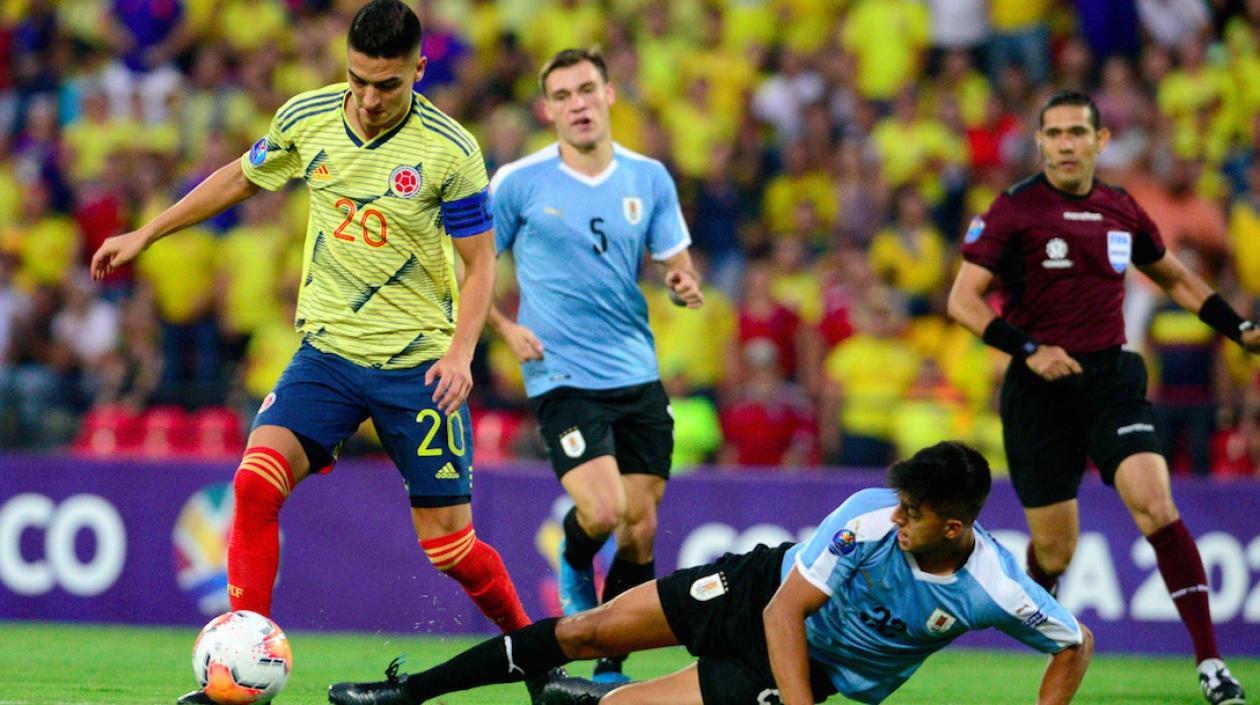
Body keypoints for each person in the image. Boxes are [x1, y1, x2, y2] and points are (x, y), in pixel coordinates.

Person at [90, 2, 535, 702]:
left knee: (450, 548)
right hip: (325, 354)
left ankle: (535, 657)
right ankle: (238, 672)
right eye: (358, 79)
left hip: (416, 366)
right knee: (254, 483)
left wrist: (460, 352)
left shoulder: (450, 150)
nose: (368, 97)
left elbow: (479, 265)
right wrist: (149, 232)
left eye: (387, 84)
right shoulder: (308, 117)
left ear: (419, 70)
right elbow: (241, 175)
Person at [327, 441, 1093, 705]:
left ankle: (587, 698)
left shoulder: (994, 585)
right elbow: (785, 609)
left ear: (953, 527)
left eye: (914, 514)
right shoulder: (869, 512)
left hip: (814, 667)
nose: (897, 518)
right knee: (587, 627)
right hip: (764, 591)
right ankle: (410, 691)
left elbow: (1073, 643)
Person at [947, 90, 1258, 705]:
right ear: (1040, 142)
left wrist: (1238, 328)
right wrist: (1029, 348)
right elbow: (962, 300)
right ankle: (1043, 616)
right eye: (1054, 133)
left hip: (1111, 382)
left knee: (1156, 507)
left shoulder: (1121, 208)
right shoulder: (1013, 210)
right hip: (1038, 392)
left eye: (1077, 133)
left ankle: (1211, 664)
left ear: (1100, 141)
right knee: (1055, 550)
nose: (1065, 144)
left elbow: (1174, 277)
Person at [485, 47, 704, 683]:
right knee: (604, 511)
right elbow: (466, 267)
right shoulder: (518, 181)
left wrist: (682, 282)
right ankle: (575, 561)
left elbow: (675, 261)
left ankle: (611, 657)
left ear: (609, 95)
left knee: (640, 530)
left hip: (635, 371)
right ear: (546, 109)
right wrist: (504, 327)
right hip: (560, 373)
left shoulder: (649, 177)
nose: (577, 103)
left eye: (586, 89)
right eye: (563, 95)